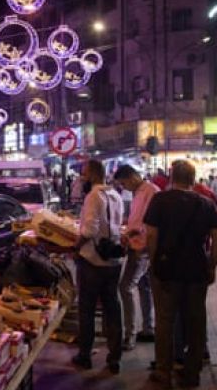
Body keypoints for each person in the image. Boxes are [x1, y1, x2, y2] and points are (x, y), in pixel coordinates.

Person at [144, 160, 217, 388]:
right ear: (193, 178)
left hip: (167, 271)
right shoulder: (206, 204)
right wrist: (212, 266)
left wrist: (155, 261)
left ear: (171, 177)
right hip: (197, 270)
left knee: (165, 320)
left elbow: (151, 235)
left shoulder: (160, 201)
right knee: (196, 322)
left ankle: (163, 370)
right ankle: (192, 372)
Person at [71, 159, 124, 375]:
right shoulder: (116, 195)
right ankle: (114, 358)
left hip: (92, 260)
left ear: (93, 174)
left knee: (88, 309)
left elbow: (89, 230)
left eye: (84, 174)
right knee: (112, 308)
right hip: (113, 261)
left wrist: (76, 247)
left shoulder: (94, 196)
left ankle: (85, 355)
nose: (82, 178)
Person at [114, 164, 159, 349]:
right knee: (144, 286)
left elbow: (151, 222)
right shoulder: (139, 192)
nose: (124, 187)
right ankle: (148, 328)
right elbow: (138, 219)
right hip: (136, 244)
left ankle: (129, 335)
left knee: (125, 287)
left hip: (143, 248)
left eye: (124, 183)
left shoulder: (151, 191)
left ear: (132, 177)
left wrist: (132, 233)